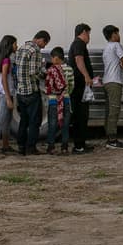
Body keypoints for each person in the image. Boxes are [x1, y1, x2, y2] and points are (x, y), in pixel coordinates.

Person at [14, 30, 50, 156]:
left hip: (20, 90)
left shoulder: (21, 48)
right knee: (35, 121)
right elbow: (33, 72)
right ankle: (31, 147)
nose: (44, 46)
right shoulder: (35, 51)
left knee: (23, 120)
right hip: (31, 90)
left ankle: (21, 146)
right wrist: (45, 75)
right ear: (40, 39)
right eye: (45, 43)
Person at [101, 25, 123, 150]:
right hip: (115, 82)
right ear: (114, 34)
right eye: (118, 33)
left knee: (108, 110)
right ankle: (112, 139)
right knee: (114, 110)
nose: (119, 36)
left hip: (106, 81)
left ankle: (108, 136)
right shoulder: (116, 45)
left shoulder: (106, 48)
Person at [69, 23, 94, 154]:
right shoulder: (79, 43)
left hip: (80, 85)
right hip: (78, 85)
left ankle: (82, 143)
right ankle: (78, 145)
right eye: (88, 33)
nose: (89, 37)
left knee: (83, 116)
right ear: (84, 32)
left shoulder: (78, 44)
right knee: (80, 115)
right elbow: (79, 60)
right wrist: (86, 76)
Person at [0, 34, 19, 153]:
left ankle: (5, 145)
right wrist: (8, 97)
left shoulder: (8, 59)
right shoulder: (6, 60)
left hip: (9, 92)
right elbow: (4, 78)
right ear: (9, 46)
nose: (16, 46)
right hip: (5, 93)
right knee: (1, 119)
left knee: (7, 120)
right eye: (15, 44)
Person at [45, 46, 74, 154]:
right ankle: (64, 147)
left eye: (52, 58)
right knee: (65, 124)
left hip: (53, 101)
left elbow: (47, 86)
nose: (51, 60)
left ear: (56, 58)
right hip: (65, 100)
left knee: (52, 123)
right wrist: (66, 94)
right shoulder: (69, 69)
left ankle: (51, 146)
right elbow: (71, 85)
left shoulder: (50, 70)